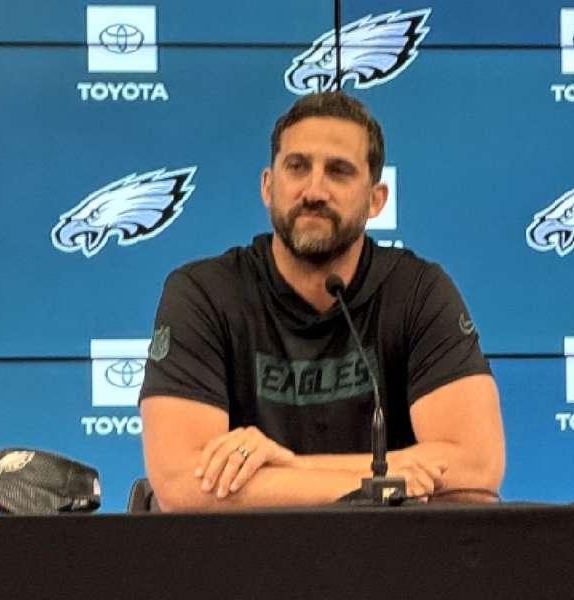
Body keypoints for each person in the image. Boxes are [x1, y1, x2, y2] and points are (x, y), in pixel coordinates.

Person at [138, 92, 505, 511]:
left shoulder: (418, 290)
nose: (314, 190)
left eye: (339, 172)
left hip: (389, 564)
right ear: (268, 186)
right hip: (243, 564)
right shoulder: (203, 292)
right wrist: (381, 477)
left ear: (376, 200)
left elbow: (477, 469)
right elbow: (181, 485)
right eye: (297, 167)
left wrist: (288, 468)